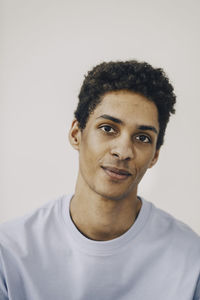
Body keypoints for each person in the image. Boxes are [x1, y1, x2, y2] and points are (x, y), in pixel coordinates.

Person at [0, 60, 200, 300]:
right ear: (76, 134)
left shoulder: (190, 259)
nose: (123, 151)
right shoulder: (10, 252)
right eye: (108, 128)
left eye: (143, 138)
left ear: (155, 155)